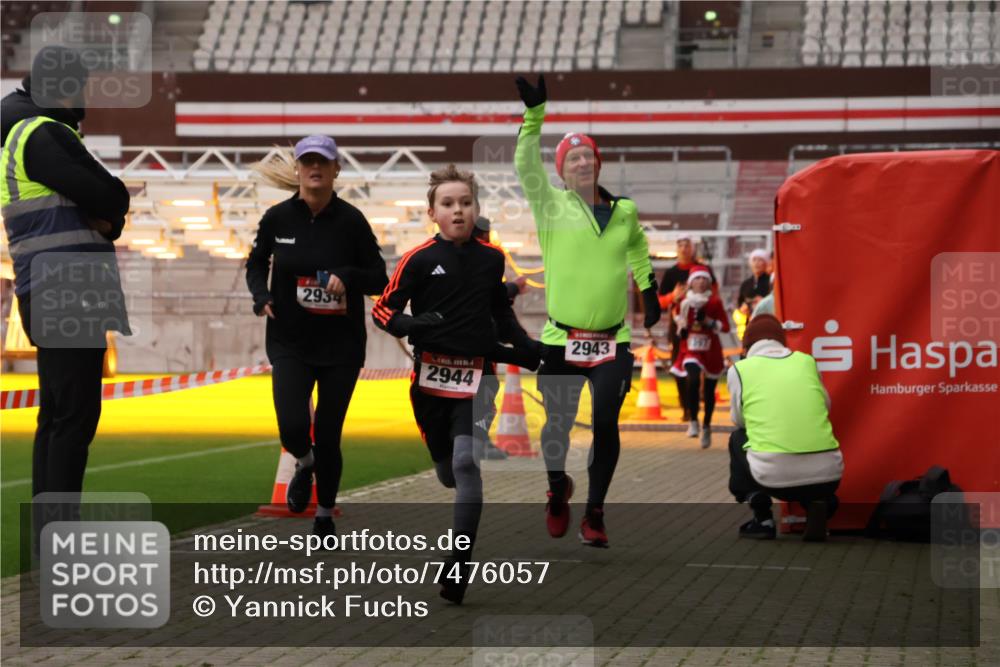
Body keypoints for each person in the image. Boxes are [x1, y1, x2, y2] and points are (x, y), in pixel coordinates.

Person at [373, 164, 541, 604]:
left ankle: (459, 563)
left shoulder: (492, 259)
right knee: (449, 473)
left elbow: (500, 313)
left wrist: (527, 347)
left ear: (476, 208)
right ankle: (443, 465)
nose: (458, 210)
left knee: (467, 464)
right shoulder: (417, 259)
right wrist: (411, 324)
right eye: (448, 204)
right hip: (429, 386)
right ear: (433, 213)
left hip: (478, 380)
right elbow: (382, 311)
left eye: (466, 202)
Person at [514, 75, 661, 548]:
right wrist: (534, 115)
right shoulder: (550, 205)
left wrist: (649, 289)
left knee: (604, 422)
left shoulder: (625, 211)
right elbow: (523, 162)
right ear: (560, 171)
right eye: (572, 157)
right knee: (556, 426)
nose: (582, 161)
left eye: (588, 155)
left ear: (598, 164)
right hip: (562, 339)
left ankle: (594, 512)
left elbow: (637, 248)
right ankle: (558, 488)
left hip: (612, 342)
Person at [1, 47, 131, 514]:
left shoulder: (22, 134)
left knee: (56, 414)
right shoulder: (44, 134)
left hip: (43, 285)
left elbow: (104, 208)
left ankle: (49, 529)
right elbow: (111, 196)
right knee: (75, 416)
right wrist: (112, 212)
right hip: (69, 286)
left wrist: (109, 216)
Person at [246, 135, 389, 538]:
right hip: (289, 341)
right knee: (292, 427)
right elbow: (256, 263)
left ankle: (324, 514)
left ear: (335, 169)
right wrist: (261, 296)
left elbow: (379, 279)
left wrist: (348, 276)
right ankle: (305, 463)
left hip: (340, 347)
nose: (314, 168)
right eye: (307, 161)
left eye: (322, 162)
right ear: (297, 169)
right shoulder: (277, 218)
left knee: (328, 433)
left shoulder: (352, 221)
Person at [727, 314, 843, 542]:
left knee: (738, 438)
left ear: (747, 346)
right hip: (829, 476)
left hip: (773, 477)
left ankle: (762, 515)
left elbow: (739, 420)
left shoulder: (740, 369)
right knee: (815, 433)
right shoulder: (806, 361)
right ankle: (820, 502)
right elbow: (825, 407)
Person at [657, 235, 717, 421]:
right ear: (676, 249)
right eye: (680, 245)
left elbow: (716, 296)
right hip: (679, 327)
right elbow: (660, 302)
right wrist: (673, 297)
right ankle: (686, 407)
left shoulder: (705, 270)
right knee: (679, 366)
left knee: (703, 367)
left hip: (702, 327)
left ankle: (702, 403)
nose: (684, 249)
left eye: (687, 245)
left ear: (693, 248)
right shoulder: (671, 273)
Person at [669, 267, 729, 449]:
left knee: (710, 391)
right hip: (690, 349)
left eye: (704, 279)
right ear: (691, 283)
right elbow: (678, 319)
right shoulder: (684, 302)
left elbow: (725, 327)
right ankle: (693, 419)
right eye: (697, 279)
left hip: (710, 350)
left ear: (709, 283)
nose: (701, 282)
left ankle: (707, 425)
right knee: (692, 380)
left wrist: (709, 322)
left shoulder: (715, 302)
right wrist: (682, 328)